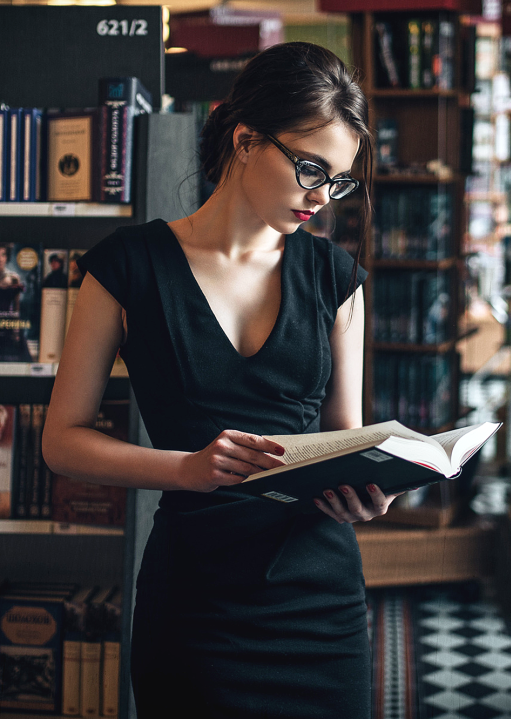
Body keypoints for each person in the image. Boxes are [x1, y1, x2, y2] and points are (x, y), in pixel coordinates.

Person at [42, 42, 404, 719]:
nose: (322, 199)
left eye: (339, 181)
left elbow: (344, 441)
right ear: (245, 141)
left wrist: (366, 492)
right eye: (310, 169)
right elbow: (60, 441)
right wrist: (187, 469)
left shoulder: (334, 278)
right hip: (196, 603)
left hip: (321, 601)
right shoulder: (127, 266)